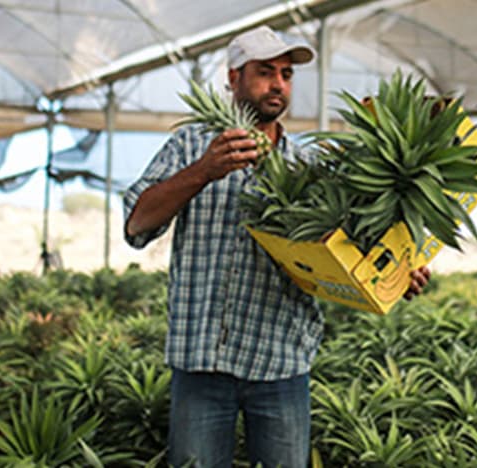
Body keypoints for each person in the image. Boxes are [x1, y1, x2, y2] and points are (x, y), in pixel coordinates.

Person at [123, 26, 431, 468]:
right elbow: (137, 223)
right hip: (200, 361)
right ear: (233, 78)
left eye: (286, 74)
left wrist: (403, 270)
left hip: (281, 364)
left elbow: (359, 247)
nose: (279, 84)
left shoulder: (309, 164)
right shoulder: (191, 146)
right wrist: (203, 171)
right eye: (265, 72)